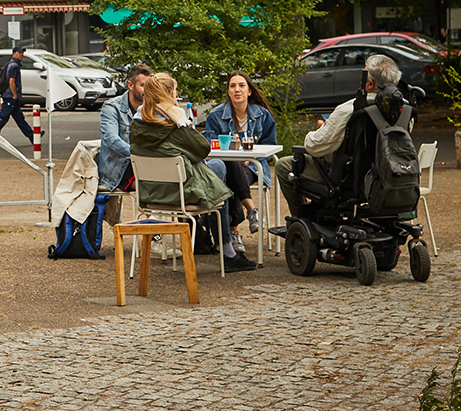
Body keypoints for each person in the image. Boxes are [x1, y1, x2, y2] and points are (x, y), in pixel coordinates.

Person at [129, 72, 255, 272]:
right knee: (219, 168)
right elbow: (202, 149)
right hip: (181, 194)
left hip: (150, 194)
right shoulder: (175, 124)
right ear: (171, 94)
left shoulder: (136, 125)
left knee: (214, 174)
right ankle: (227, 251)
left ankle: (209, 241)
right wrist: (179, 116)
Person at [276, 52, 401, 210]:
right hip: (386, 175)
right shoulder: (403, 110)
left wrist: (322, 129)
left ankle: (300, 216)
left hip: (347, 179)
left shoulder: (350, 110)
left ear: (369, 84)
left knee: (283, 165)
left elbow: (314, 146)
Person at [204, 70, 278, 255]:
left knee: (231, 174)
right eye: (232, 86)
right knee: (230, 165)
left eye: (241, 85)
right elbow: (210, 149)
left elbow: (270, 147)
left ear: (249, 91)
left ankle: (233, 232)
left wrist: (251, 157)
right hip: (226, 167)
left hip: (253, 166)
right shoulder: (215, 115)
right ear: (228, 92)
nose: (237, 89)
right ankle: (252, 210)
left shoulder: (262, 115)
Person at [97, 62, 153, 196]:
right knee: (152, 186)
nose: (148, 91)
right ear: (130, 85)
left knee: (178, 180)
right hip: (118, 169)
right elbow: (111, 139)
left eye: (150, 87)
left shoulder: (153, 108)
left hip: (146, 164)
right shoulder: (112, 107)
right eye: (143, 86)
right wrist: (140, 155)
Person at [0, 45, 33, 146]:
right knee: (3, 117)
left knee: (19, 119)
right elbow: (11, 81)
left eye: (22, 53)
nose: (21, 54)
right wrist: (14, 95)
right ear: (14, 53)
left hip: (9, 96)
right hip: (10, 96)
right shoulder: (14, 66)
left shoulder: (12, 64)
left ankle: (32, 136)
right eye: (19, 52)